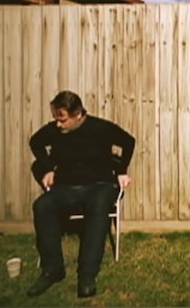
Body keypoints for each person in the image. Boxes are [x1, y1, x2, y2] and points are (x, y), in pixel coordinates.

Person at [26, 90, 135, 298]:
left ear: (78, 115)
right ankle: (53, 270)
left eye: (63, 119)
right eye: (56, 118)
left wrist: (121, 171)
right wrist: (48, 167)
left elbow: (128, 141)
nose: (58, 124)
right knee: (43, 205)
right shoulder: (55, 130)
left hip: (99, 185)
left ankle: (87, 275)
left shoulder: (100, 128)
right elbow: (35, 142)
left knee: (99, 205)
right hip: (67, 188)